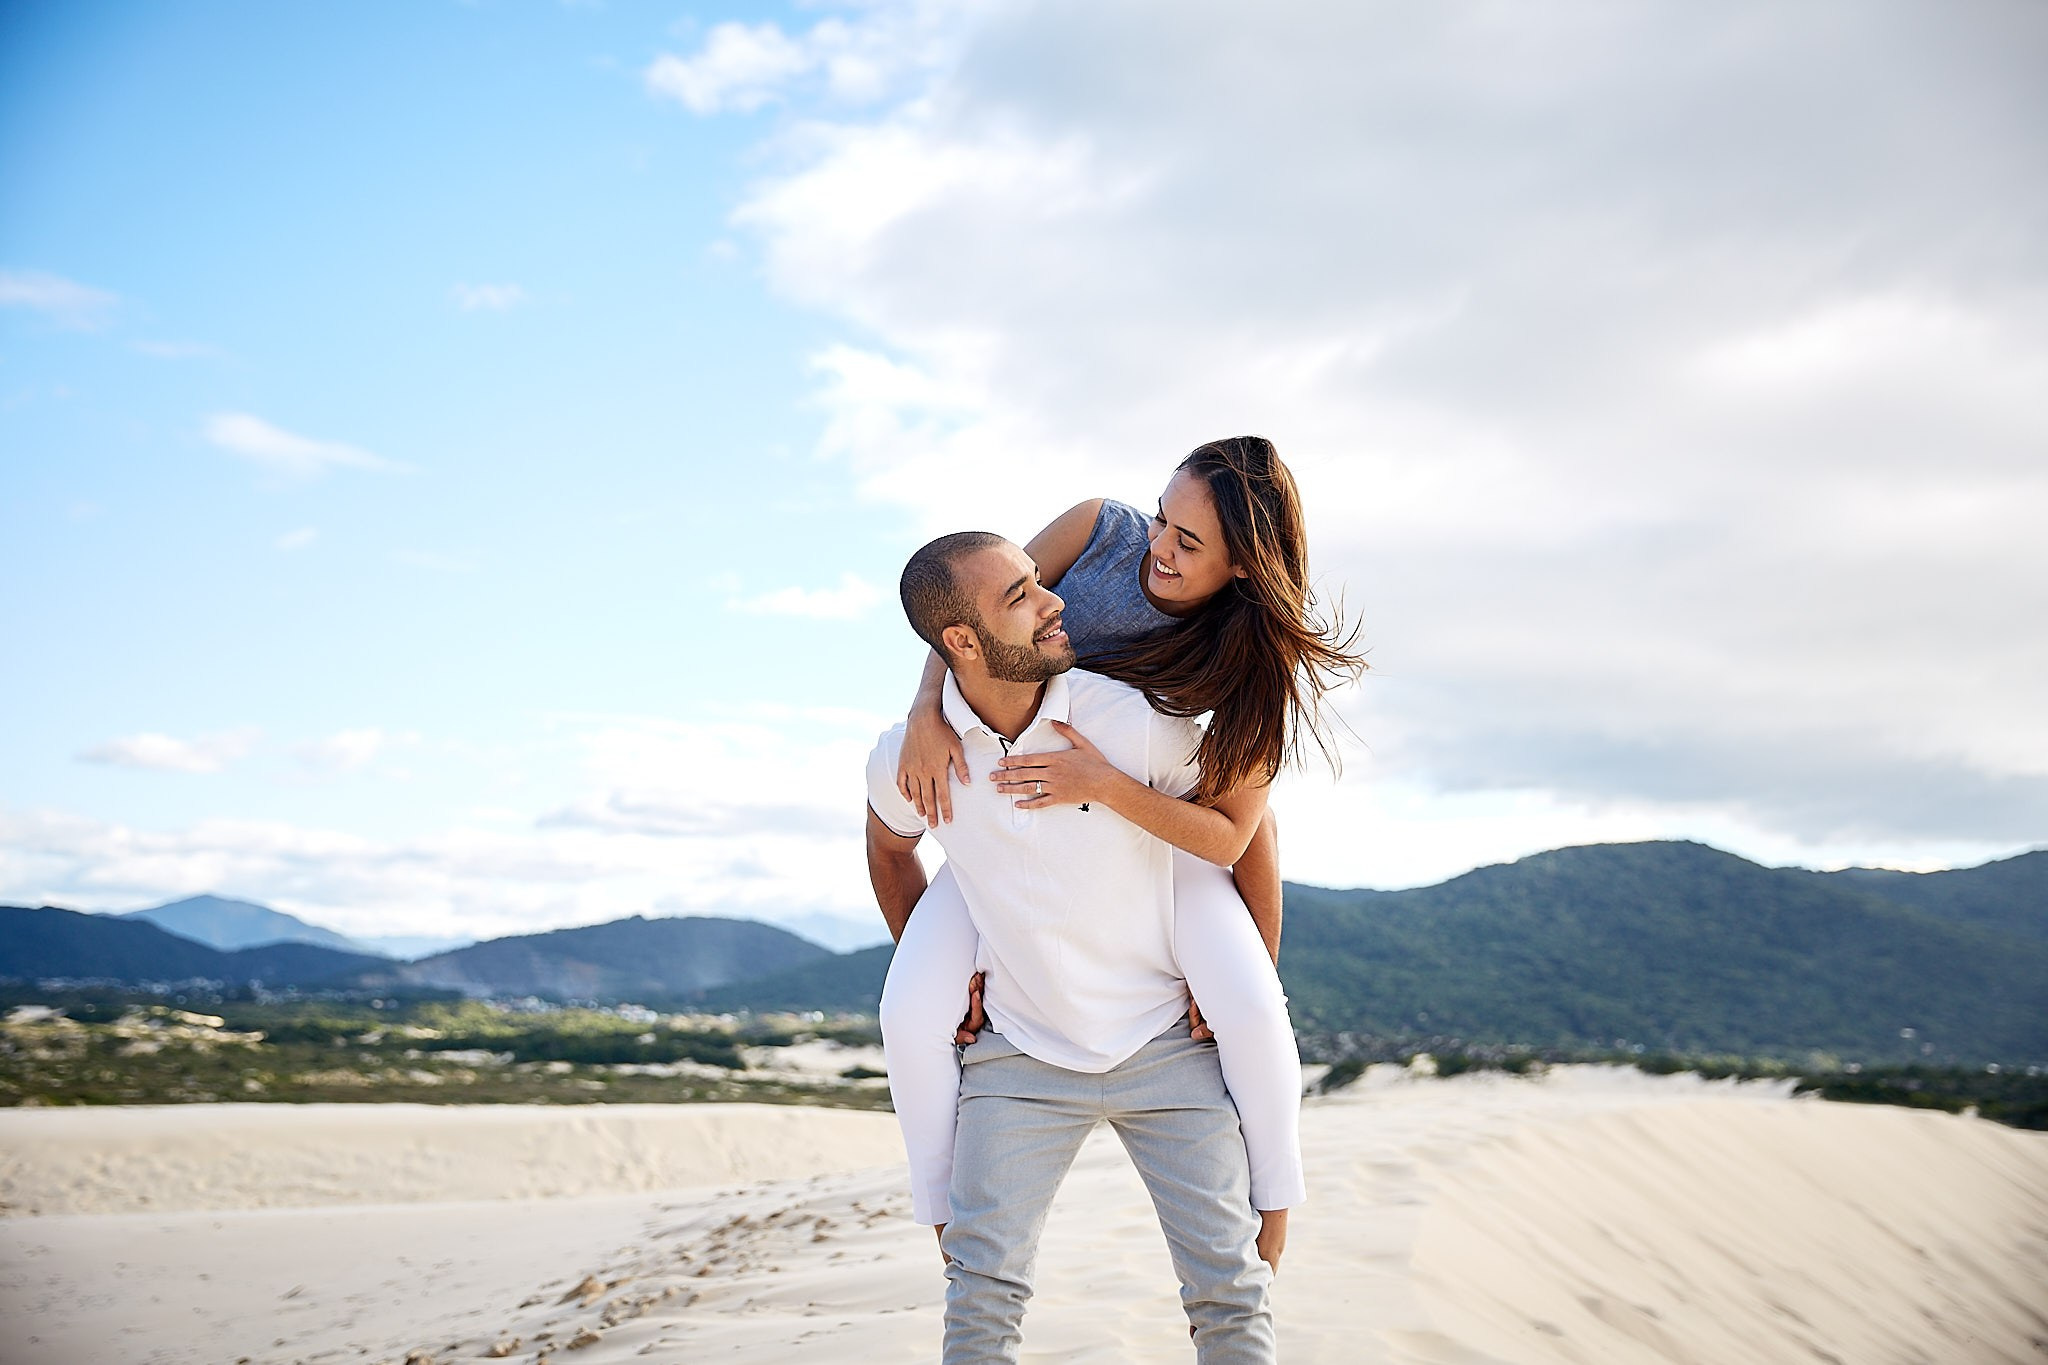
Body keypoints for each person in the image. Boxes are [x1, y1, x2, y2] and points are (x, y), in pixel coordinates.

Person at [880, 436, 1364, 1272]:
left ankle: (1273, 1213)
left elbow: (1235, 833)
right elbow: (967, 604)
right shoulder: (1099, 529)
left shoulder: (1250, 665)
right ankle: (950, 1232)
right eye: (1165, 518)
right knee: (908, 1013)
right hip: (1023, 815)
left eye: (1189, 543)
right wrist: (929, 705)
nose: (1159, 548)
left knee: (1250, 1005)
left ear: (1244, 567)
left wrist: (1104, 784)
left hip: (1161, 821)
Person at [864, 531, 1276, 1360]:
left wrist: (1242, 978)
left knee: (1231, 1295)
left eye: (1034, 579)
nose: (1056, 599)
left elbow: (1245, 828)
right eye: (1019, 596)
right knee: (979, 1297)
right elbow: (888, 846)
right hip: (1017, 1060)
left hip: (1167, 1045)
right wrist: (956, 977)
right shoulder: (913, 755)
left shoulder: (1133, 723)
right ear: (961, 645)